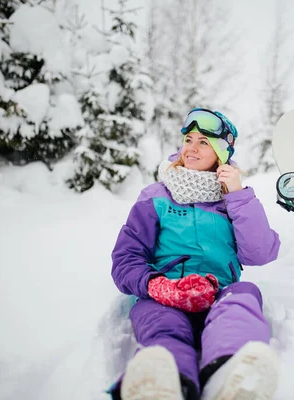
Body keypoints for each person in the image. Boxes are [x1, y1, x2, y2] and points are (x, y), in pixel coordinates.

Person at [109, 108, 281, 400]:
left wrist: (238, 196)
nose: (192, 147)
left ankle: (229, 376)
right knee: (164, 329)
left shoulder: (233, 199)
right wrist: (157, 285)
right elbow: (126, 258)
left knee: (243, 298)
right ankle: (165, 382)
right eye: (189, 139)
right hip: (164, 295)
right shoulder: (156, 196)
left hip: (219, 292)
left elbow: (261, 252)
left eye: (204, 142)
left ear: (221, 153)